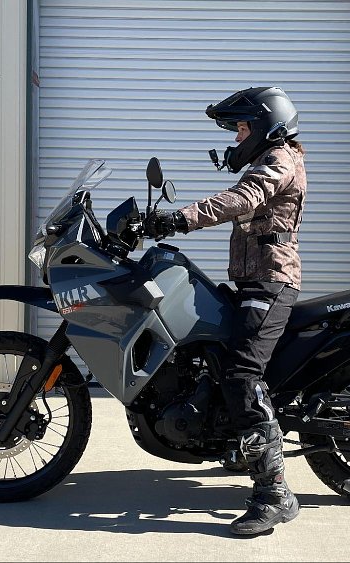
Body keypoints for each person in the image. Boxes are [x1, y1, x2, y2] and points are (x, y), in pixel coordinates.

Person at [144, 86, 307, 536]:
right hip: (255, 281)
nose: (237, 139)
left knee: (240, 374)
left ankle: (275, 491)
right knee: (212, 358)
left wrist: (181, 218)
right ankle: (237, 442)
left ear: (265, 125)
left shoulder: (279, 160)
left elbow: (245, 198)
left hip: (271, 283)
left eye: (241, 128)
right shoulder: (268, 157)